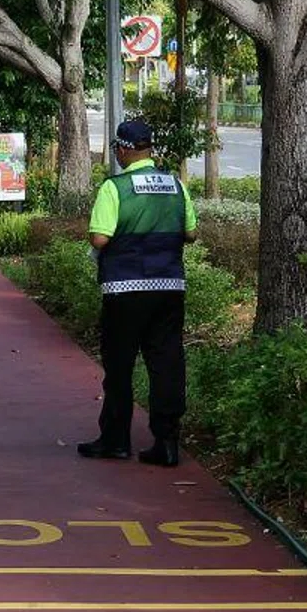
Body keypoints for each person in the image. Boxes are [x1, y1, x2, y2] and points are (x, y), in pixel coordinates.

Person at [82, 118, 198, 466]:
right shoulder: (175, 185)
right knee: (166, 362)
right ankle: (166, 442)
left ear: (124, 149)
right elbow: (191, 233)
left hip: (125, 288)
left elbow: (100, 238)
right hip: (169, 287)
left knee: (119, 364)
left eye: (117, 147)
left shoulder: (114, 188)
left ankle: (116, 440)